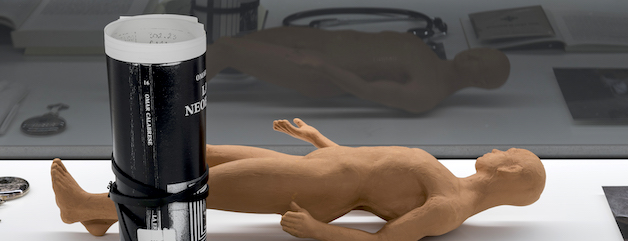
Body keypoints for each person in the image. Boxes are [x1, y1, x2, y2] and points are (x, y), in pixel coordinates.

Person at [51, 118, 546, 241]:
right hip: (317, 166)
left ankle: (85, 206)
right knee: (207, 154)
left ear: (508, 173)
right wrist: (318, 140)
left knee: (200, 188)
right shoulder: (449, 183)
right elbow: (370, 167)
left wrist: (316, 229)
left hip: (317, 189)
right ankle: (101, 217)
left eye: (510, 154)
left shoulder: (447, 207)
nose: (500, 149)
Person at [207, 26, 510, 113]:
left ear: (482, 82)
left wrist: (320, 65)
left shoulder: (427, 92)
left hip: (312, 67)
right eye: (479, 51)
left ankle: (180, 97)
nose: (472, 54)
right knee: (231, 45)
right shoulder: (426, 54)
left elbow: (366, 90)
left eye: (479, 61)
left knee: (226, 49)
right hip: (314, 40)